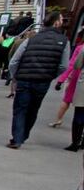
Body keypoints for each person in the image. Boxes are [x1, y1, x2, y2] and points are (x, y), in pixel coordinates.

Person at [7, 12, 69, 149]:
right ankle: (23, 136)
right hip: (43, 81)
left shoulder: (31, 39)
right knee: (33, 109)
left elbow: (14, 61)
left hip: (24, 78)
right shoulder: (64, 41)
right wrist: (51, 75)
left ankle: (17, 137)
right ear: (56, 23)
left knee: (20, 109)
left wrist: (15, 76)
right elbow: (64, 65)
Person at [50, 33, 84, 129]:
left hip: (76, 77)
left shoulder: (80, 47)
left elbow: (72, 64)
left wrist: (61, 80)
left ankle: (58, 119)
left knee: (66, 99)